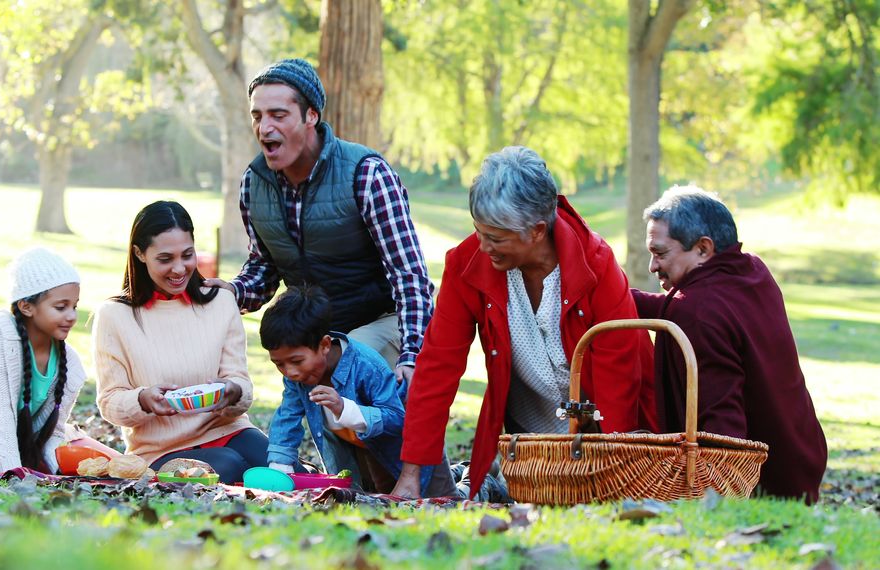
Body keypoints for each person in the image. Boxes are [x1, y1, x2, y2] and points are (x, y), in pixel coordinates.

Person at [393, 146, 659, 499]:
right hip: (530, 445)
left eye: (496, 238)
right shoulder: (466, 263)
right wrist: (410, 475)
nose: (483, 246)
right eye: (479, 232)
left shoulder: (596, 265)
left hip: (607, 435)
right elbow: (437, 366)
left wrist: (612, 475)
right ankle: (495, 482)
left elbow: (619, 377)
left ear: (536, 231)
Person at [203, 58, 434, 386]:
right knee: (329, 417)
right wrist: (230, 292)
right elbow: (264, 269)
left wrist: (413, 355)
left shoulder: (366, 174)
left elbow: (409, 275)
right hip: (319, 338)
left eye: (278, 115)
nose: (264, 127)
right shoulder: (254, 184)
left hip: (385, 323)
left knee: (352, 368)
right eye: (257, 115)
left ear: (311, 115)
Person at [632, 186, 827, 503]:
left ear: (703, 249)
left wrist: (718, 500)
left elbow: (722, 425)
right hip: (799, 456)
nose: (653, 266)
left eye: (661, 253)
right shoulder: (751, 271)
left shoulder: (699, 313)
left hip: (762, 484)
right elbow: (692, 308)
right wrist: (622, 298)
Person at [92, 201, 268, 484]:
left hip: (228, 430)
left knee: (282, 466)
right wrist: (143, 399)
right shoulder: (115, 316)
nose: (179, 269)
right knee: (230, 468)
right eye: (165, 259)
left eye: (187, 255)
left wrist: (233, 391)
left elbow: (240, 383)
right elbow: (110, 402)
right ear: (139, 254)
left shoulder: (221, 302)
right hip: (160, 449)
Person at [261, 285, 458, 496]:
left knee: (444, 498)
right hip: (369, 452)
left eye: (296, 361)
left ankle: (478, 482)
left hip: (409, 453)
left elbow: (395, 418)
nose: (289, 372)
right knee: (384, 498)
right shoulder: (298, 377)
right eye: (279, 364)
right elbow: (287, 416)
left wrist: (345, 408)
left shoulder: (366, 365)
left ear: (325, 345)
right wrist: (279, 468)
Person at [0, 247, 87, 473]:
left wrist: (61, 473)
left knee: (94, 454)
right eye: (60, 307)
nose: (72, 316)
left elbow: (54, 432)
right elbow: (0, 416)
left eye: (74, 306)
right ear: (26, 306)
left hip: (29, 459)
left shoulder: (69, 361)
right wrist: (14, 474)